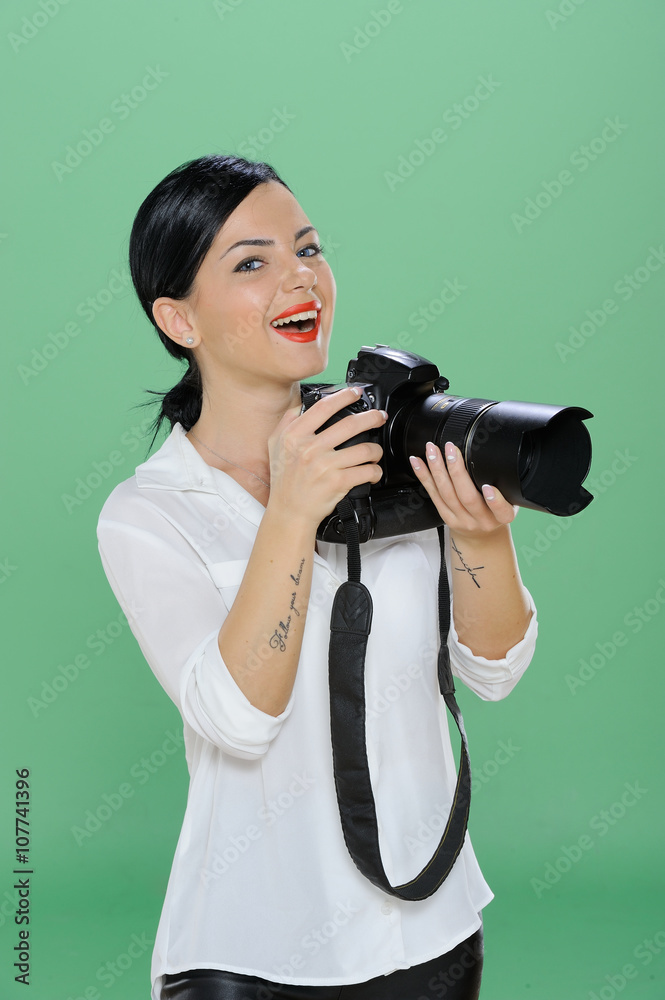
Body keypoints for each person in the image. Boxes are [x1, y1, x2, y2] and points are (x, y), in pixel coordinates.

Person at [96, 154, 538, 1000]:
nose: (300, 278)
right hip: (250, 949)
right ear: (177, 318)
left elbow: (495, 671)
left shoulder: (389, 455)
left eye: (308, 248)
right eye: (251, 262)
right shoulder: (149, 512)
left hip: (430, 931)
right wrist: (291, 513)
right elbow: (236, 719)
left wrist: (483, 541)